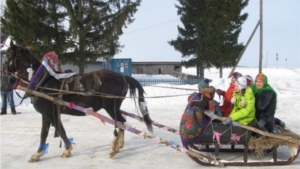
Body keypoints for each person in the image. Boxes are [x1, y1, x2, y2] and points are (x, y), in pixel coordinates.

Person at [180, 79, 217, 149]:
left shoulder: (205, 95)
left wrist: (193, 102)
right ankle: (190, 141)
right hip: (210, 113)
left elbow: (203, 103)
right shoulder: (207, 94)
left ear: (201, 88)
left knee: (192, 117)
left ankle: (190, 136)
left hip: (209, 115)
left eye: (199, 88)